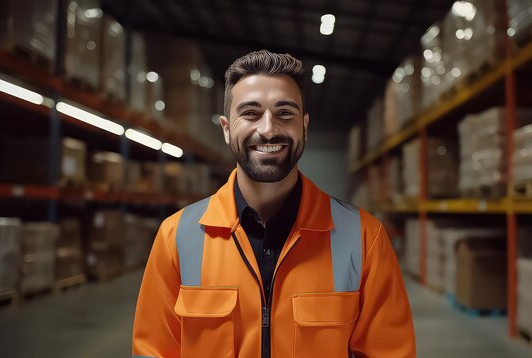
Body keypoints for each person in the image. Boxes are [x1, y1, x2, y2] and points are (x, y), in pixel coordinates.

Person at [132, 50, 416, 358]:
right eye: (251, 113)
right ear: (227, 129)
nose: (268, 129)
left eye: (285, 113)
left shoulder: (364, 238)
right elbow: (154, 351)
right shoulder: (176, 237)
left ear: (304, 126)